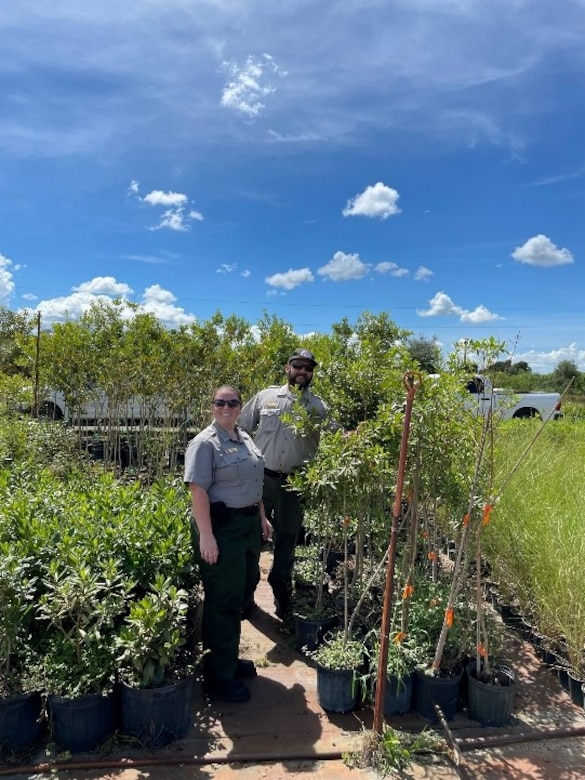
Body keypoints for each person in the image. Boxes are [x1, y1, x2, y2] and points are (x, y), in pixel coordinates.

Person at [184, 385, 272, 703]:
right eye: (220, 403)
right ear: (212, 406)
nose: (226, 407)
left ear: (239, 407)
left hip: (248, 525)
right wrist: (206, 535)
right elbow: (197, 491)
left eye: (232, 402)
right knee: (222, 602)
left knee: (243, 589)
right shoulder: (204, 444)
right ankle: (218, 678)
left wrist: (261, 517)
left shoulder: (244, 436)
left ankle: (229, 660)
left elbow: (254, 481)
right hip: (223, 530)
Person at [238, 349, 329, 620]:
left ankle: (282, 597)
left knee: (287, 542)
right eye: (297, 365)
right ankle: (245, 597)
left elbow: (337, 437)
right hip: (261, 480)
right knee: (252, 538)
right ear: (287, 368)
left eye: (308, 368)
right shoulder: (266, 397)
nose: (302, 371)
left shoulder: (319, 407)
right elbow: (240, 428)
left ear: (312, 373)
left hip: (295, 484)